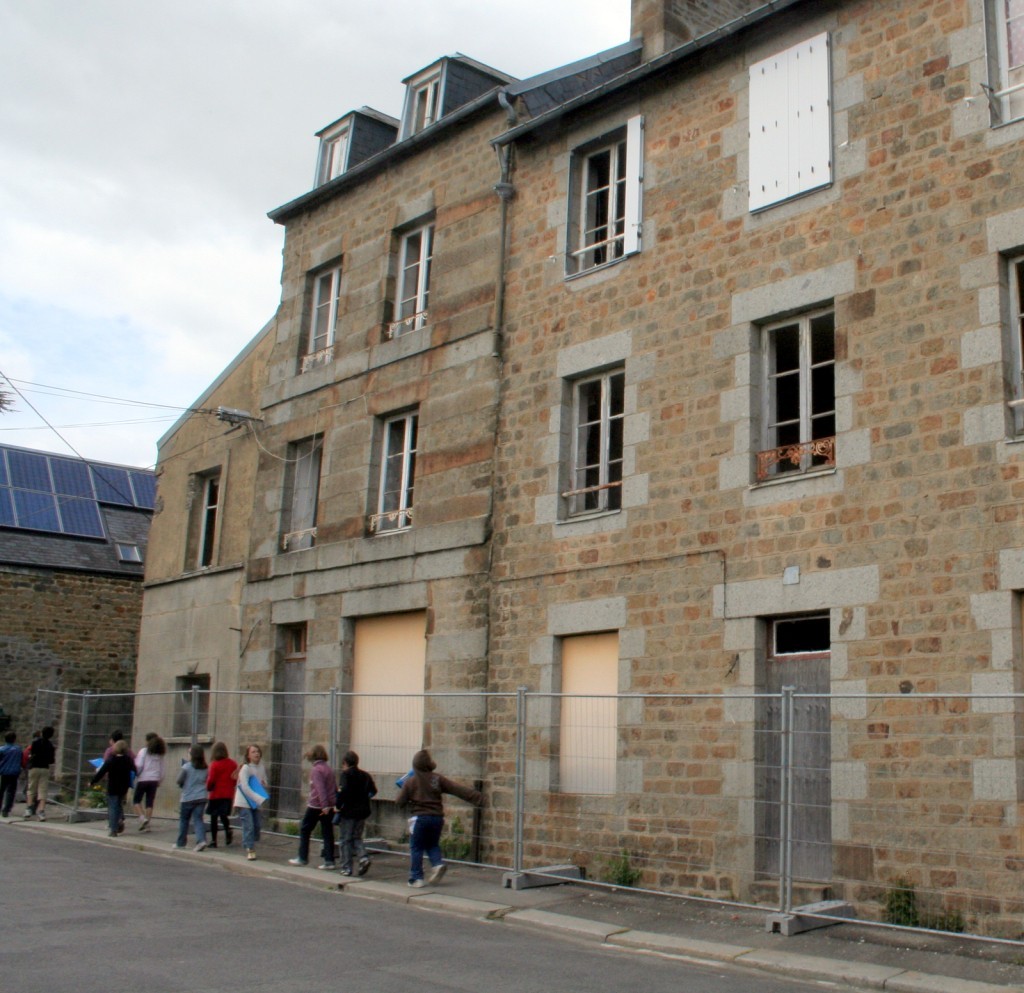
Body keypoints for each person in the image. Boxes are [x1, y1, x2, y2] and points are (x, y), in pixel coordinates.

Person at [396, 749, 482, 888]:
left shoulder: (410, 782)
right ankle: (437, 864)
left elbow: (399, 802)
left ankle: (416, 878)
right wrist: (477, 797)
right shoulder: (437, 779)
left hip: (420, 818)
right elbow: (456, 788)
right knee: (432, 844)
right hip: (437, 818)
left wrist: (408, 797)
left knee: (416, 847)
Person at [289, 745, 337, 870]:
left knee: (305, 829)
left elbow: (320, 789)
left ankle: (302, 857)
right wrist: (329, 804)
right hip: (329, 806)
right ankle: (329, 860)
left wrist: (324, 805)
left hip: (317, 806)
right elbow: (332, 788)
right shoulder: (328, 769)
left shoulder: (316, 770)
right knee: (327, 832)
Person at [334, 750, 377, 877]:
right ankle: (363, 857)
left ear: (345, 763)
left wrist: (338, 806)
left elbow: (343, 792)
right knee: (357, 837)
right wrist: (363, 798)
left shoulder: (346, 775)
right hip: (362, 811)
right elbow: (373, 791)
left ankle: (346, 867)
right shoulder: (365, 775)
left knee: (345, 839)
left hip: (348, 811)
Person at [91, 740, 134, 837]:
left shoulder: (111, 760)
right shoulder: (128, 760)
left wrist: (93, 782)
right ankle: (120, 820)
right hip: (124, 786)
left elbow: (101, 772)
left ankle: (113, 829)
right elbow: (134, 769)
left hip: (113, 786)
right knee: (119, 804)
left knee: (112, 807)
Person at [233, 743, 268, 861]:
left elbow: (263, 780)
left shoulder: (261, 767)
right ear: (248, 756)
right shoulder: (245, 768)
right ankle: (250, 848)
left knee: (257, 825)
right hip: (244, 801)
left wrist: (264, 783)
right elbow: (245, 787)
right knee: (249, 826)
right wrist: (257, 798)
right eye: (253, 752)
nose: (256, 753)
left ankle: (250, 842)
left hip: (256, 802)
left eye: (257, 751)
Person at [175, 744, 209, 852]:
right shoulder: (205, 767)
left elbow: (179, 780)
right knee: (198, 819)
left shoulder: (187, 767)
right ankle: (201, 840)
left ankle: (181, 843)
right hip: (201, 796)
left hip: (188, 797)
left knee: (184, 820)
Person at [205, 741, 237, 848]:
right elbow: (234, 779)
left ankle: (214, 840)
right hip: (227, 794)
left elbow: (211, 780)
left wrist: (208, 788)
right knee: (224, 816)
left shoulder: (214, 765)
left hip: (216, 794)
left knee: (213, 818)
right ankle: (228, 831)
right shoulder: (233, 764)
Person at [133, 732, 166, 830]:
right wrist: (160, 779)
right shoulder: (160, 754)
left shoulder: (143, 751)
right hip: (154, 780)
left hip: (143, 778)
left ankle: (142, 818)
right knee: (149, 802)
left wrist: (137, 774)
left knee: (136, 800)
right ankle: (148, 823)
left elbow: (139, 765)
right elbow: (162, 769)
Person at [25, 725, 55, 821]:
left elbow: (32, 754)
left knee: (31, 788)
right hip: (44, 768)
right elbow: (51, 760)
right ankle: (41, 811)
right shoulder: (50, 745)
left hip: (34, 766)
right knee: (43, 790)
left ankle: (29, 808)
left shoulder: (35, 743)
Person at [0, 731, 22, 821]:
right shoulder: (18, 749)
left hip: (4, 772)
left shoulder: (2, 749)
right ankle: (7, 809)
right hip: (14, 772)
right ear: (14, 739)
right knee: (11, 792)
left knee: (1, 791)